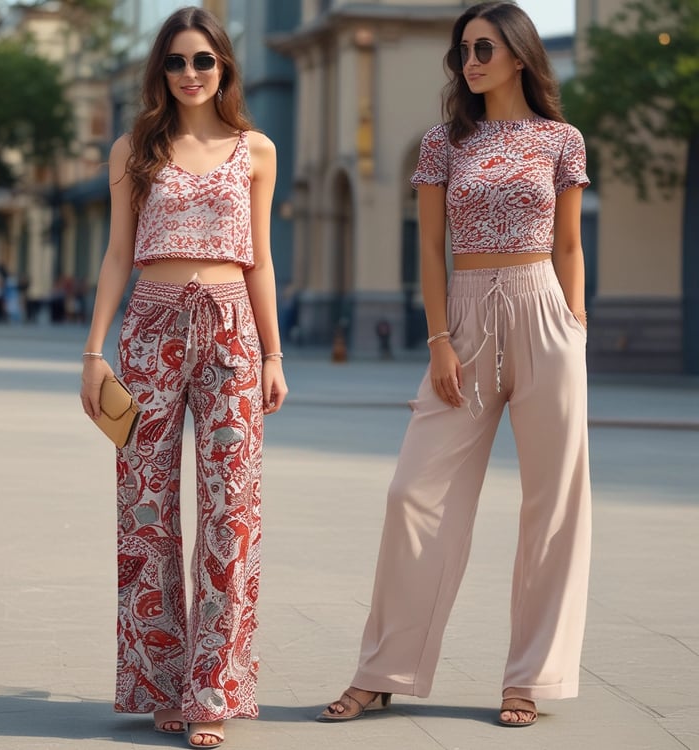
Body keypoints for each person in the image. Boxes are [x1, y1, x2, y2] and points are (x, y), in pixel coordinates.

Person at [318, 1, 591, 728]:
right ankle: (382, 671)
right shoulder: (444, 143)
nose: (470, 62)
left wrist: (576, 328)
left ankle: (529, 678)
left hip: (544, 312)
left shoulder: (561, 139)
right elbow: (432, 251)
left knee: (552, 506)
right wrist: (440, 340)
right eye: (464, 49)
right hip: (466, 317)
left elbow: (568, 245)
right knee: (414, 492)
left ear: (520, 55)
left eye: (484, 49)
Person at [79, 7, 287, 747]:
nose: (190, 73)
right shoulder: (135, 147)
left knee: (233, 513)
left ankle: (214, 689)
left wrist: (273, 353)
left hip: (231, 329)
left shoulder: (255, 150)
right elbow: (115, 254)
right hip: (151, 330)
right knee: (147, 511)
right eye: (176, 61)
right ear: (159, 71)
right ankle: (162, 682)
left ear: (224, 66)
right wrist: (94, 350)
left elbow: (260, 259)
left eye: (203, 60)